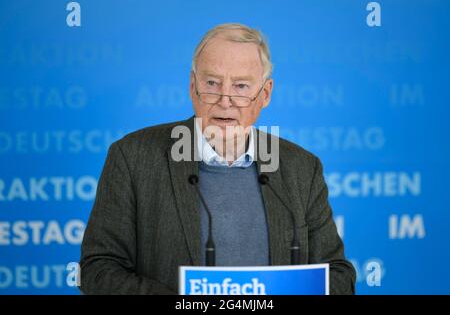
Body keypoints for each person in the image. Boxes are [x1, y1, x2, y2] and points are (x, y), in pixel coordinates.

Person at [80, 23, 356, 295]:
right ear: (192, 86)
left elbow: (339, 275)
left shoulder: (300, 168)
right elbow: (97, 270)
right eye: (212, 83)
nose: (225, 100)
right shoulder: (133, 157)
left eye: (241, 86)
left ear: (266, 94)